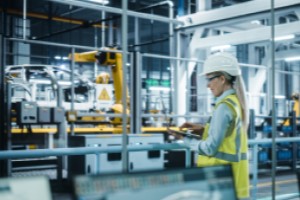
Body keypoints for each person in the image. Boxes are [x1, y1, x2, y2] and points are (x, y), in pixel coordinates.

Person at [170, 52, 250, 199]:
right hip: (233, 175)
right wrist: (203, 130)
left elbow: (210, 148)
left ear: (222, 79)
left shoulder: (224, 107)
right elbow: (227, 134)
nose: (207, 85)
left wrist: (185, 139)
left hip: (220, 176)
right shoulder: (234, 102)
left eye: (209, 79)